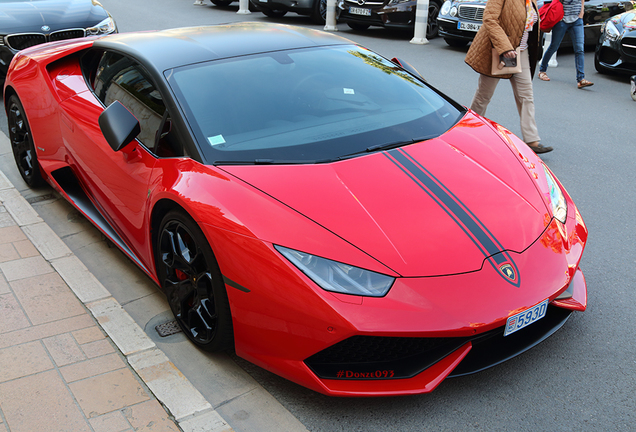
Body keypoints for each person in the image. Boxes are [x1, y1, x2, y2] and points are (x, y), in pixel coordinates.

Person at [465, 0, 552, 154]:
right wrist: (504, 47)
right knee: (484, 96)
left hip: (521, 52)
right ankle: (469, 132)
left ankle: (532, 140)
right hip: (499, 51)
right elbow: (490, 18)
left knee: (526, 96)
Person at [537, 0, 593, 89]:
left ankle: (581, 79)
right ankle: (542, 70)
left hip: (577, 20)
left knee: (580, 49)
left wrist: (581, 12)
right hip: (562, 20)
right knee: (554, 46)